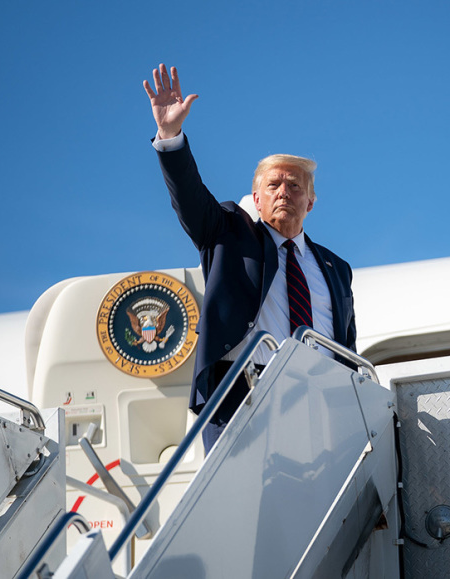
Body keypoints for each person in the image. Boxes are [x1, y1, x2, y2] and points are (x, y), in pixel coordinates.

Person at [143, 63, 357, 453]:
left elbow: (347, 347)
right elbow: (190, 197)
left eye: (295, 186)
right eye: (273, 185)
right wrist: (170, 136)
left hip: (323, 410)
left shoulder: (336, 269)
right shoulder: (229, 233)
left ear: (311, 201)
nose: (284, 193)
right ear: (256, 199)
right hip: (245, 397)